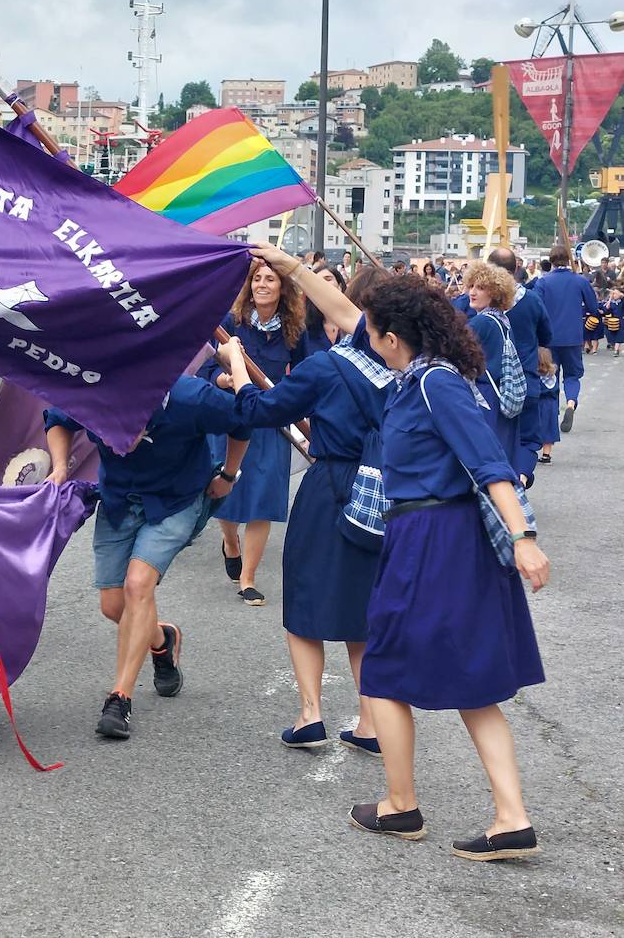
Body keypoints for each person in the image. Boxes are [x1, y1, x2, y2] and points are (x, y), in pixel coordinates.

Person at [349, 275, 549, 861]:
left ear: (390, 337)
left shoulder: (435, 383)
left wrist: (524, 536)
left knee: (381, 667)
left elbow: (490, 464)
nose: (361, 331)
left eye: (370, 326)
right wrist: (290, 265)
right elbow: (346, 311)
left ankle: (400, 805)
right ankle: (510, 819)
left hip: (433, 538)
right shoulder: (417, 377)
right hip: (432, 535)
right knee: (471, 681)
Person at [222, 262, 389, 756]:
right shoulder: (407, 368)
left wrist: (236, 363)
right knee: (363, 607)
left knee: (304, 599)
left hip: (331, 482)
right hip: (382, 489)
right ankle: (370, 721)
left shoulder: (326, 366)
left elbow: (257, 410)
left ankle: (310, 713)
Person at [46, 377, 249, 740]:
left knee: (139, 584)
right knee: (112, 605)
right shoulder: (92, 396)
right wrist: (60, 465)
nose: (118, 446)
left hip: (175, 499)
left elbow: (243, 421)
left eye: (127, 438)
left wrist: (229, 475)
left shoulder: (191, 398)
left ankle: (119, 699)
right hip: (119, 499)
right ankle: (161, 639)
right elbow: (57, 417)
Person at [206, 259, 308, 606]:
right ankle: (230, 541)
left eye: (270, 279)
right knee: (226, 493)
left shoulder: (295, 330)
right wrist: (225, 379)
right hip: (231, 417)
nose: (262, 284)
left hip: (271, 419)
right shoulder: (228, 323)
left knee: (264, 498)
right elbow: (205, 371)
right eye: (257, 279)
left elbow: (307, 374)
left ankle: (248, 577)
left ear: (283, 288)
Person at [486, 247, 554, 485]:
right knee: (526, 440)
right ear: (517, 268)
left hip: (490, 386)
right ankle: (521, 480)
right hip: (526, 381)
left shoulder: (478, 302)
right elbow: (547, 336)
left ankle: (495, 488)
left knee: (491, 439)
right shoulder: (533, 300)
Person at [463, 262, 525, 467]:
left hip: (485, 396)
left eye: (480, 288)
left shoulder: (482, 322)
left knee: (484, 457)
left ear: (495, 293)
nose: (472, 292)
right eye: (471, 286)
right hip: (501, 394)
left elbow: (454, 351)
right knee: (501, 454)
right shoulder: (501, 320)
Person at [535, 245, 601, 434]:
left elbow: (537, 309)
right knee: (572, 376)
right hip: (573, 336)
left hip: (549, 338)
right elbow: (593, 307)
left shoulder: (543, 282)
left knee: (550, 377)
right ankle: (571, 403)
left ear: (552, 260)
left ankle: (552, 414)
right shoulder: (579, 281)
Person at [303, 262, 347, 355]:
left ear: (340, 286)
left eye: (328, 279)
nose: (322, 284)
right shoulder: (304, 329)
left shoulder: (354, 324)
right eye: (317, 281)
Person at [604, 287, 623, 356]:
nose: (614, 295)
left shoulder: (622, 301)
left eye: (615, 294)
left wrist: (619, 293)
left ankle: (616, 350)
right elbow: (606, 310)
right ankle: (615, 348)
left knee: (619, 335)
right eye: (613, 294)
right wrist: (610, 298)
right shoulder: (612, 303)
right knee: (613, 335)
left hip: (621, 320)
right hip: (613, 322)